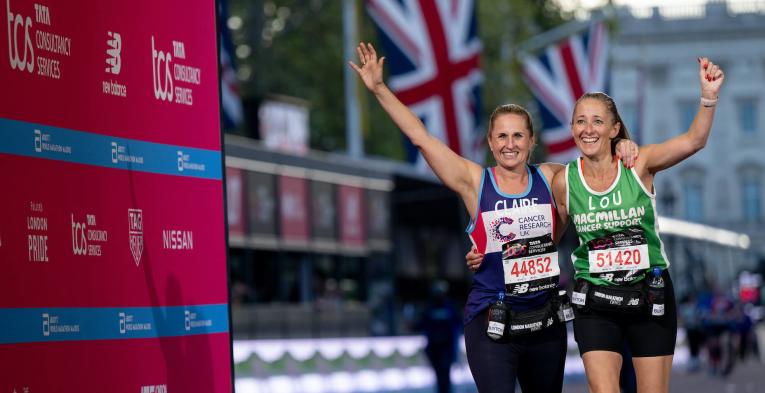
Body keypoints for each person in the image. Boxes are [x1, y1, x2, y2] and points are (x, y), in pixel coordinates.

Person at [349, 42, 638, 393]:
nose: (510, 144)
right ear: (490, 141)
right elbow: (421, 138)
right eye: (501, 135)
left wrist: (621, 144)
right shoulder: (475, 182)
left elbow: (598, 173)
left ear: (531, 142)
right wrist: (379, 88)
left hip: (546, 323)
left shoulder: (552, 178)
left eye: (518, 135)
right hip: (491, 323)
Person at [549, 57, 724, 392]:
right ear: (572, 129)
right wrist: (490, 250)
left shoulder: (638, 162)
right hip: (594, 300)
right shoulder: (564, 181)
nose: (588, 129)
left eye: (598, 121)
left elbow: (693, 141)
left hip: (649, 293)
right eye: (580, 121)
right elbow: (549, 239)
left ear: (614, 129)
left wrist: (708, 97)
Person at [417, 281, 462, 393]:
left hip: (447, 348)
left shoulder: (450, 307)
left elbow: (457, 325)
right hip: (434, 348)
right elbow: (422, 324)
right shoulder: (429, 307)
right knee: (439, 375)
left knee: (445, 374)